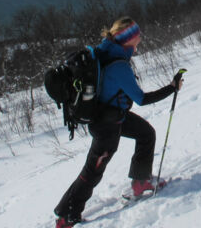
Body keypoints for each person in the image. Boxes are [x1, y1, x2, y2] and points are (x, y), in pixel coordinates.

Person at [54, 16, 184, 228]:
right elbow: (141, 99)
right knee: (92, 173)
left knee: (145, 133)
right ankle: (66, 216)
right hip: (107, 127)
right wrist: (172, 88)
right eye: (137, 35)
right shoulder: (119, 66)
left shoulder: (106, 51)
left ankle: (140, 182)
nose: (140, 38)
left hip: (112, 116)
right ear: (128, 40)